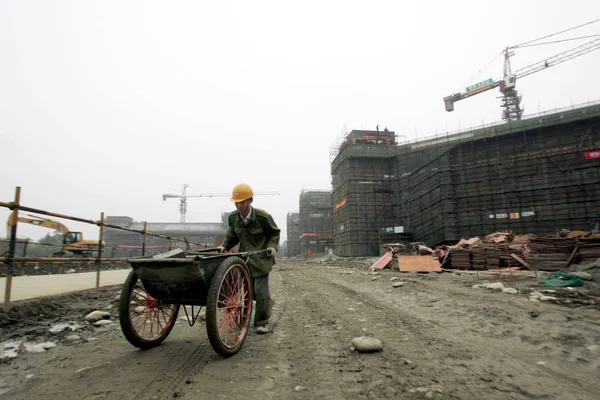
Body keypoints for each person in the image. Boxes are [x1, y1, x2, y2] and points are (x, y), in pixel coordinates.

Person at [219, 183, 280, 334]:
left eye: (242, 202)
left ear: (250, 201)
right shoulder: (233, 218)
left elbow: (274, 232)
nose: (239, 206)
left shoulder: (262, 217)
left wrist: (273, 247)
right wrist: (224, 246)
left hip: (261, 259)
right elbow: (232, 235)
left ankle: (262, 322)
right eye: (237, 202)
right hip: (243, 259)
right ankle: (261, 307)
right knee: (247, 291)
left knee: (260, 292)